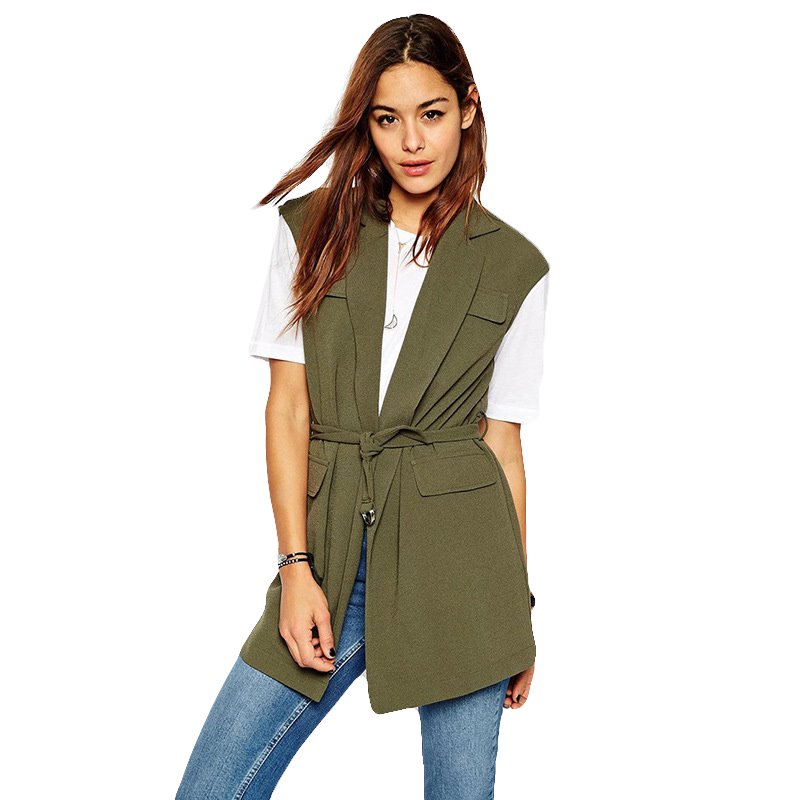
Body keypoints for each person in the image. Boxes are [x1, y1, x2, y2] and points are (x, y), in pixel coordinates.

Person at [176, 14, 549, 800]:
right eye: (387, 119)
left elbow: (503, 445)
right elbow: (288, 409)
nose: (411, 141)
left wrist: (518, 609)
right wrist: (295, 569)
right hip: (333, 558)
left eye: (431, 113)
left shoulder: (516, 265)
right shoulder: (312, 230)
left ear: (468, 109)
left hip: (464, 571)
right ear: (366, 125)